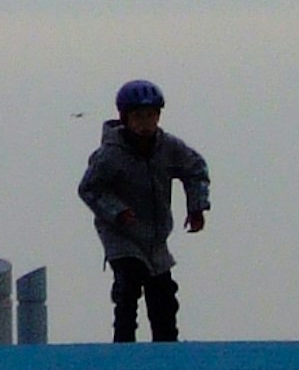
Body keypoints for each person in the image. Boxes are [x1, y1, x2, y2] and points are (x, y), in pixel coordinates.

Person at [78, 77, 210, 343]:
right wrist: (117, 211)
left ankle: (166, 346)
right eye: (138, 117)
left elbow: (195, 169)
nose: (145, 124)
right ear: (125, 118)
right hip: (120, 234)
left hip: (155, 235)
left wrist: (196, 207)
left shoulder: (169, 147)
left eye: (151, 116)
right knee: (128, 285)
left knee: (163, 294)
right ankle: (124, 344)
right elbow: (89, 188)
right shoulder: (109, 154)